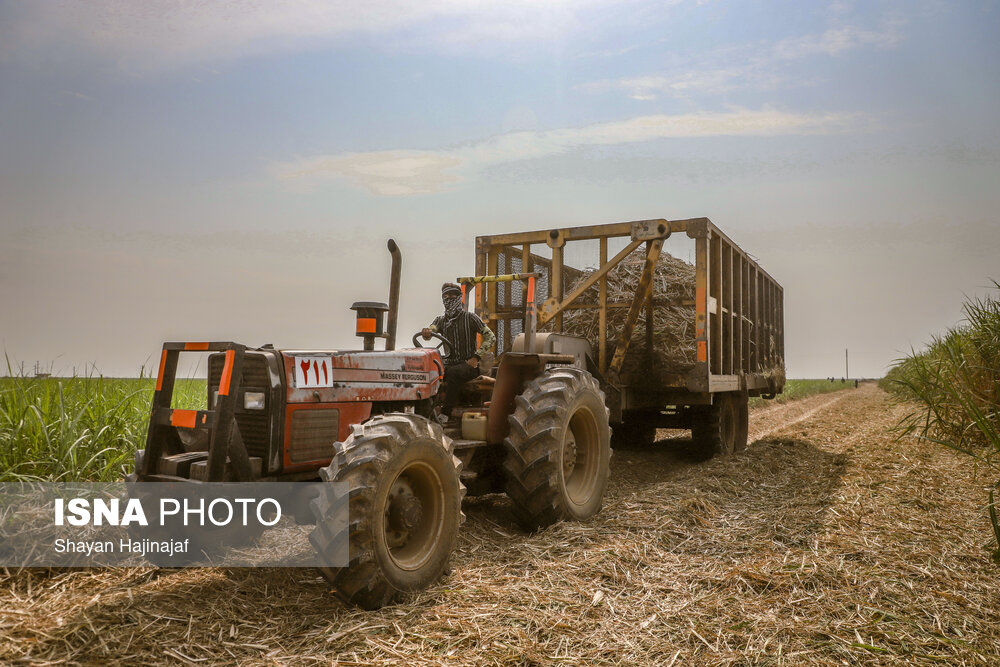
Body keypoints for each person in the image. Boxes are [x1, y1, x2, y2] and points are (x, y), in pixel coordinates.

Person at [422, 282, 496, 421]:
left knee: (452, 373)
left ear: (459, 298)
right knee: (426, 370)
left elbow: (490, 337)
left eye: (453, 296)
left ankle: (445, 414)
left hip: (469, 365)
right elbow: (432, 328)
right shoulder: (441, 320)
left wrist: (476, 357)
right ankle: (424, 411)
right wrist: (427, 332)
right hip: (448, 363)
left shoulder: (471, 318)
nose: (449, 299)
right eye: (446, 296)